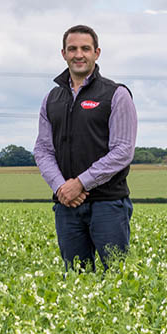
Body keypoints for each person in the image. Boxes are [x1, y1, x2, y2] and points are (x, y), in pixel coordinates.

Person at [33, 25, 137, 270]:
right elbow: (43, 149)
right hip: (67, 206)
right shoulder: (52, 98)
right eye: (72, 49)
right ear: (63, 54)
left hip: (108, 204)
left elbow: (122, 150)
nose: (78, 54)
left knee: (116, 277)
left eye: (85, 49)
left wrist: (80, 183)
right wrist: (61, 187)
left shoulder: (116, 94)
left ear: (97, 53)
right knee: (77, 279)